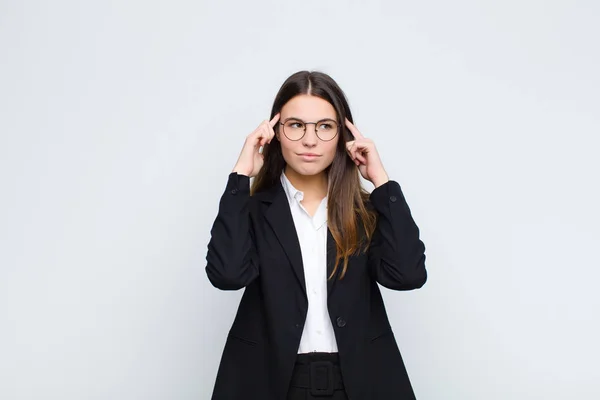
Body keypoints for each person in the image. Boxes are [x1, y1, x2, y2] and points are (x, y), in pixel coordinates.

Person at [205, 70, 427, 399]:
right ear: (275, 133)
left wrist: (381, 181)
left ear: (342, 135)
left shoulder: (364, 211)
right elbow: (227, 275)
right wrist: (240, 175)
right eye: (296, 125)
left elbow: (407, 275)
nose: (310, 140)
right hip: (272, 382)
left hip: (357, 381)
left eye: (325, 127)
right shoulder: (251, 210)